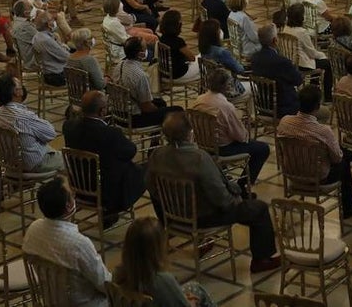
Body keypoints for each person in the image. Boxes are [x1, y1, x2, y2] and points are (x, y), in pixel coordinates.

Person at [147, 112, 280, 273]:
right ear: (190, 133)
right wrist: (238, 200)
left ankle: (186, 235)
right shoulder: (199, 159)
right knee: (258, 209)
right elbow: (222, 199)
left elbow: (152, 187)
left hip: (173, 215)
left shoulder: (157, 155)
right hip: (203, 216)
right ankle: (261, 260)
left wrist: (169, 209)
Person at [22, 177, 111, 305]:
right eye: (72, 195)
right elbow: (104, 284)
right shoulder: (79, 244)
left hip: (50, 301)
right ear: (69, 206)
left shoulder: (33, 229)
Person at [277, 85, 352, 218]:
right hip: (317, 176)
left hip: (291, 172)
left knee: (339, 152)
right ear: (317, 107)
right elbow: (337, 159)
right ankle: (349, 207)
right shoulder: (323, 131)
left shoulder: (284, 122)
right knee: (343, 160)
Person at [63, 90, 146, 219]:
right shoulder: (110, 134)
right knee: (146, 169)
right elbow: (131, 151)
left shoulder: (68, 127)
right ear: (102, 111)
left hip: (79, 187)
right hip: (107, 193)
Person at [114, 218, 216, 307]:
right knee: (199, 292)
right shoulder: (162, 280)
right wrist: (191, 303)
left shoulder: (118, 273)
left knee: (193, 287)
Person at [193, 66, 270, 184]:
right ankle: (243, 185)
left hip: (203, 143)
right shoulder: (225, 106)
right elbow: (240, 136)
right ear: (225, 86)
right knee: (263, 148)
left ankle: (222, 175)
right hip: (223, 148)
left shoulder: (199, 100)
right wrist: (245, 131)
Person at [0, 74, 63, 172]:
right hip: (34, 163)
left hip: (10, 163)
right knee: (72, 160)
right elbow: (51, 134)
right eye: (21, 86)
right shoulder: (23, 117)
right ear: (16, 93)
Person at [114, 37, 177, 127]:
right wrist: (157, 110)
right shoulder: (140, 76)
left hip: (118, 112)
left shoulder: (119, 65)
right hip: (133, 118)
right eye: (145, 47)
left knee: (161, 103)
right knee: (177, 110)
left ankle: (155, 140)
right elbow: (146, 107)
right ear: (141, 54)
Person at [249, 23, 304, 117]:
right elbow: (298, 80)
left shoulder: (254, 58)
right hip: (285, 108)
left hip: (263, 106)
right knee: (322, 112)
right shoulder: (282, 62)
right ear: (275, 40)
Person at [158, 9, 200, 84]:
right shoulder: (178, 41)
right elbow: (192, 58)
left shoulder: (161, 39)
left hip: (165, 73)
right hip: (179, 74)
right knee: (203, 60)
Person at [32, 10, 71, 86]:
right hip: (55, 75)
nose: (54, 21)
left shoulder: (38, 36)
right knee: (85, 71)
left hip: (50, 70)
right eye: (52, 20)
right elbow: (66, 57)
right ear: (48, 24)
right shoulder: (46, 40)